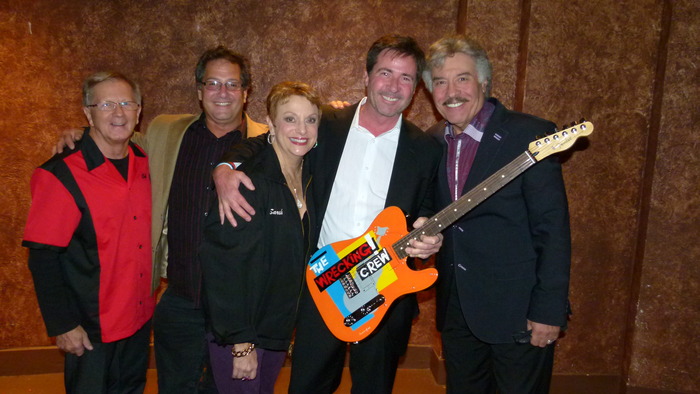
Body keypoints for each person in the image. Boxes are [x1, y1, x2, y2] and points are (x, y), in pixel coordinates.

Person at [213, 35, 443, 394]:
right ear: (366, 76)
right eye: (385, 73)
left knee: (374, 386)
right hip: (322, 281)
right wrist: (226, 166)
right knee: (309, 384)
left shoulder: (426, 148)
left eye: (406, 77)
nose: (394, 86)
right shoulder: (328, 124)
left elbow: (427, 208)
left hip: (386, 288)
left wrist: (429, 235)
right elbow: (273, 138)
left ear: (416, 89)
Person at [54, 47, 268, 393]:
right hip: (179, 298)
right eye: (213, 83)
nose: (223, 92)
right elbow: (119, 135)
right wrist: (82, 131)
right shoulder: (166, 132)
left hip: (239, 306)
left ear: (246, 92)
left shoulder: (268, 143)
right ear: (199, 91)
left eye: (232, 84)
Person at [422, 34, 571, 393]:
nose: (451, 91)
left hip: (518, 312)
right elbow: (430, 205)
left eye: (462, 79)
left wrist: (548, 310)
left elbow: (552, 229)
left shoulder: (529, 135)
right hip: (458, 311)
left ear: (484, 83)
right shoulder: (431, 140)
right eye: (440, 82)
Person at [23, 71, 155, 393]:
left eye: (127, 103)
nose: (119, 113)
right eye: (106, 104)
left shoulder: (147, 162)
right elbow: (42, 258)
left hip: (138, 318)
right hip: (91, 326)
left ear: (139, 111)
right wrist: (64, 324)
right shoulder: (61, 174)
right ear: (88, 112)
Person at [200, 81, 321, 394]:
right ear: (271, 123)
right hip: (242, 333)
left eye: (310, 119)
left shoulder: (311, 175)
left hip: (277, 327)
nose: (302, 129)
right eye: (290, 118)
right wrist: (241, 342)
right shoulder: (249, 181)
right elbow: (222, 266)